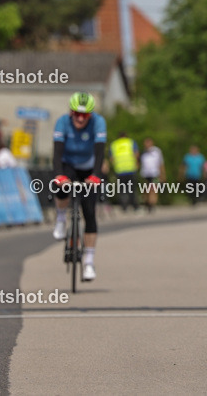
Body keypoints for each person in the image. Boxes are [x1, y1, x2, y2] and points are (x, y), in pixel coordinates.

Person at [51, 92, 107, 282]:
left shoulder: (99, 122)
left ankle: (89, 262)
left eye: (85, 115)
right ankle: (60, 218)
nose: (81, 118)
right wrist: (59, 175)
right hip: (68, 164)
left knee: (89, 211)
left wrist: (96, 176)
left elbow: (100, 152)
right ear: (70, 111)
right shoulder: (62, 122)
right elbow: (57, 152)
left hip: (89, 166)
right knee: (61, 187)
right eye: (77, 114)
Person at [109, 131, 139, 212]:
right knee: (132, 189)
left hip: (119, 170)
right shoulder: (131, 142)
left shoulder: (114, 144)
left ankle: (123, 206)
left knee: (122, 189)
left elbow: (111, 158)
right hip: (130, 169)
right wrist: (137, 163)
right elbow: (136, 154)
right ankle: (134, 206)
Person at [139, 137, 165, 213]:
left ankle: (152, 205)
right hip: (145, 174)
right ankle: (147, 202)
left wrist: (162, 174)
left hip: (155, 173)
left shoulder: (157, 152)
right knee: (146, 190)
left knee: (154, 189)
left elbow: (161, 164)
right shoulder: (143, 153)